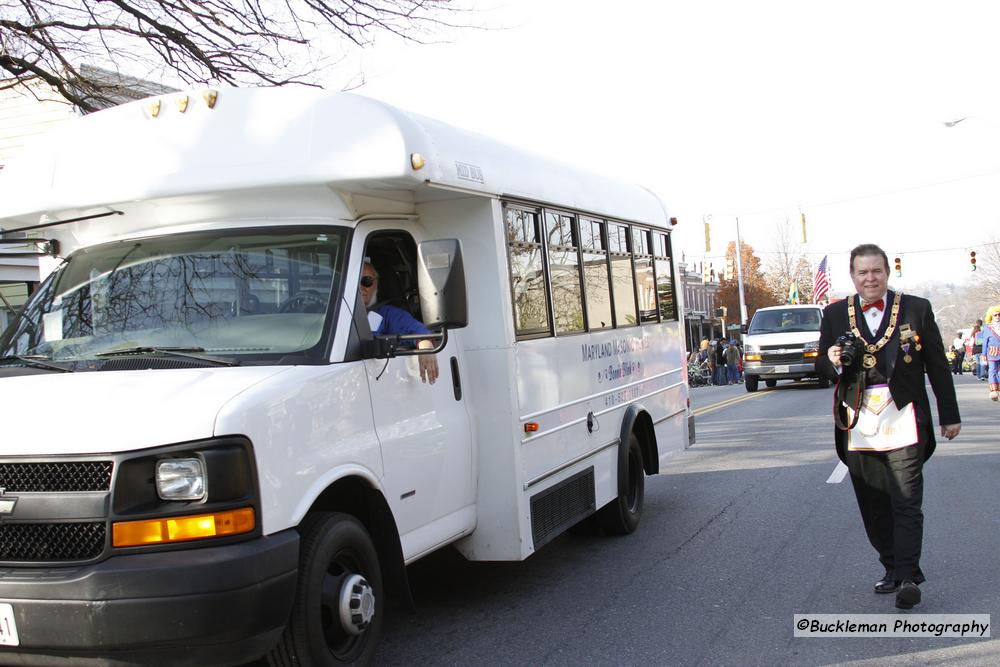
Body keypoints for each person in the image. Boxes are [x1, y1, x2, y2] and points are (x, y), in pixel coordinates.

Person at [818, 243, 960, 610]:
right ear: (853, 276)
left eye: (876, 271)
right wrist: (832, 360)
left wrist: (950, 415)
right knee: (873, 501)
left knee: (907, 499)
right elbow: (819, 367)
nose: (870, 278)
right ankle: (892, 567)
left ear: (887, 272)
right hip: (859, 420)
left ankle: (910, 577)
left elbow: (938, 367)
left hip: (905, 416)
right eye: (863, 272)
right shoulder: (834, 314)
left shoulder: (916, 308)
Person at [360, 260, 439, 384]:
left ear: (376, 284)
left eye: (367, 281)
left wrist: (425, 344)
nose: (361, 286)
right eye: (355, 280)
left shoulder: (384, 313)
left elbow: (414, 328)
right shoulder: (333, 313)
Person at [983, 307, 1000, 401]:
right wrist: (983, 355)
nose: (997, 317)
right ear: (991, 316)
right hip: (992, 353)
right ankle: (994, 391)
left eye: (999, 315)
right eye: (995, 315)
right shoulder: (988, 328)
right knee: (992, 370)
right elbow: (985, 342)